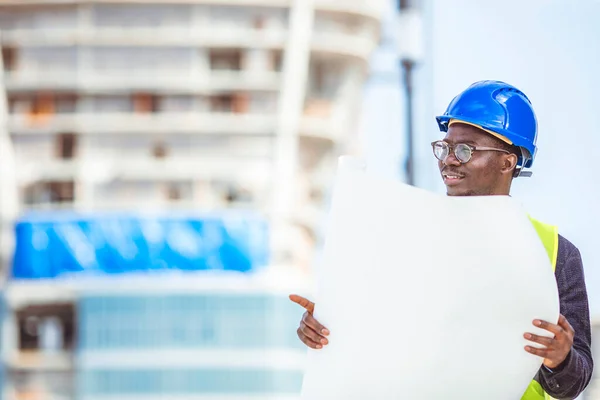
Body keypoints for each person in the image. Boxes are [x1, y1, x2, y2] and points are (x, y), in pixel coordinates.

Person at [290, 81, 593, 399]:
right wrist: (330, 325)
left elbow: (574, 383)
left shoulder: (557, 253)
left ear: (507, 161)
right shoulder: (408, 237)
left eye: (465, 150)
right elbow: (382, 335)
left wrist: (560, 359)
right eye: (445, 148)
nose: (449, 159)